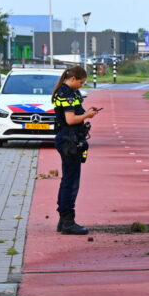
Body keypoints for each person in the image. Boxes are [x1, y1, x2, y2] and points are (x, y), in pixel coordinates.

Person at [51, 66, 100, 235]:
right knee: (71, 182)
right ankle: (67, 221)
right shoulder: (67, 94)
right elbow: (70, 120)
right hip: (69, 140)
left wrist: (86, 113)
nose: (81, 85)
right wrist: (87, 116)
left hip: (68, 138)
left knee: (68, 179)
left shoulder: (64, 92)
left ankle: (63, 220)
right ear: (73, 79)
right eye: (81, 82)